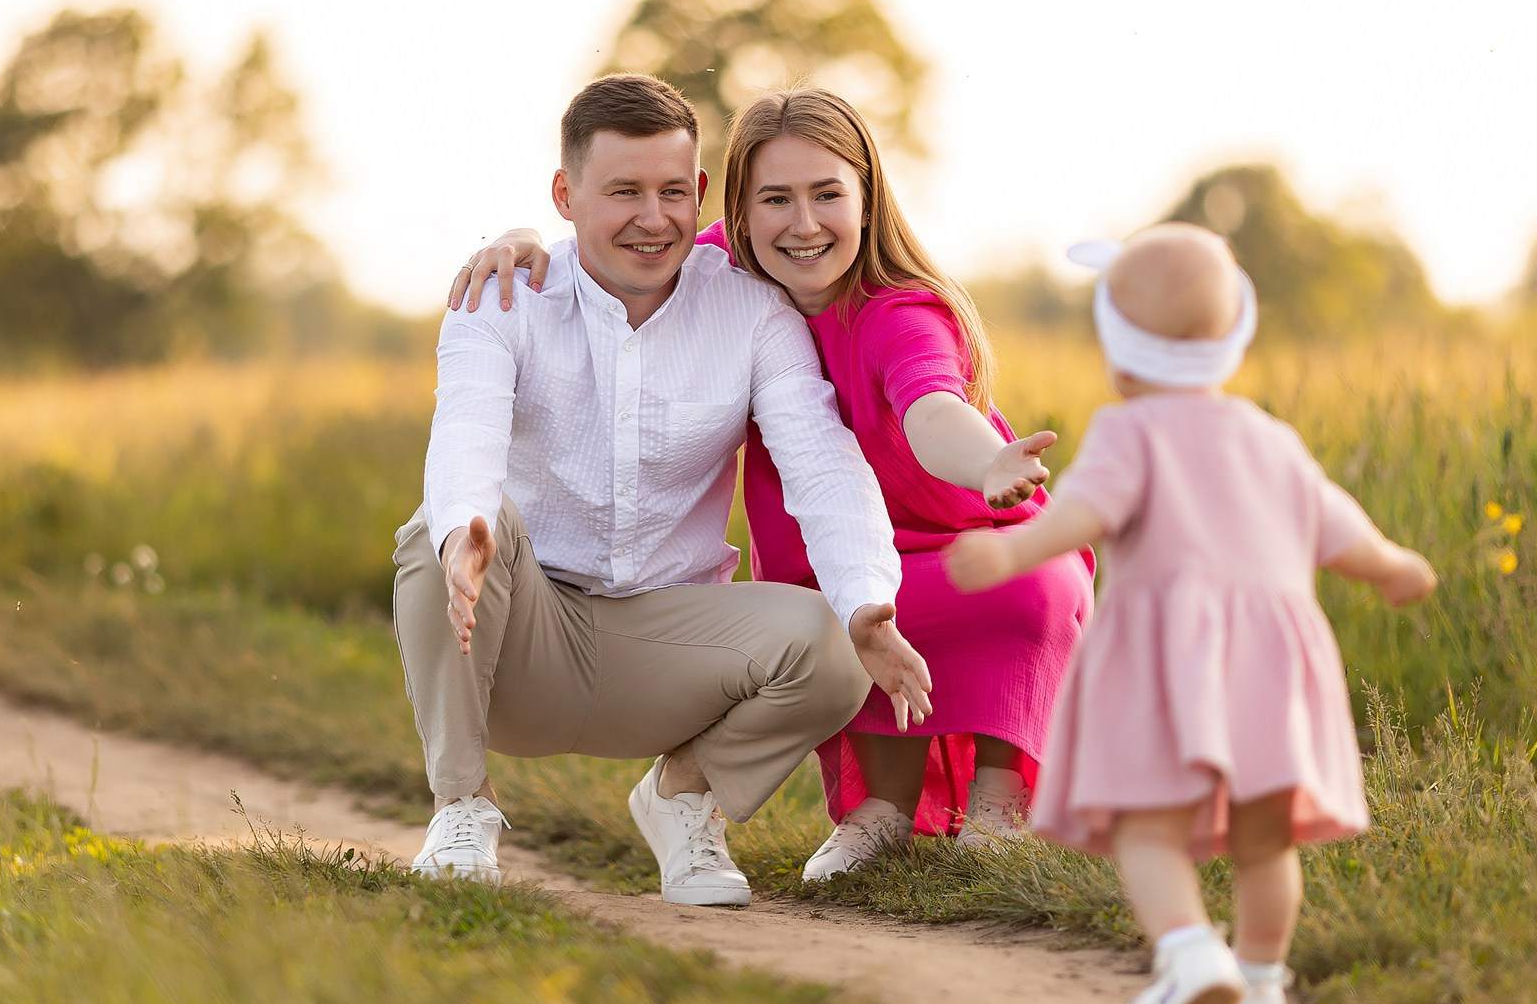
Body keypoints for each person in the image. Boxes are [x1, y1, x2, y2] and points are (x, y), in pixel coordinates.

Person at [452, 88, 1092, 880]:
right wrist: (524, 241)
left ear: (867, 198)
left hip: (950, 535)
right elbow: (615, 234)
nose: (803, 223)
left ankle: (997, 800)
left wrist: (988, 464)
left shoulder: (897, 312)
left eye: (828, 195)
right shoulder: (721, 268)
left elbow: (931, 409)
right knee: (832, 608)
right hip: (832, 560)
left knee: (1027, 585)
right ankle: (881, 810)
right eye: (776, 200)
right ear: (740, 214)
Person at [399, 73, 934, 910]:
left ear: (702, 194)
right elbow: (465, 429)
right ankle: (461, 806)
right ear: (565, 195)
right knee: (445, 525)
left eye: (672, 192)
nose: (653, 218)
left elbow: (822, 464)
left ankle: (683, 798)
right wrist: (462, 530)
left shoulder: (754, 314)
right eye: (623, 192)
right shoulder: (502, 297)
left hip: (668, 645)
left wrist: (869, 604)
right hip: (513, 639)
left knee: (833, 642)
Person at [941, 223, 1437, 1004]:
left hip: (1169, 658)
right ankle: (1262, 989)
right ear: (1232, 342)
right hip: (1274, 667)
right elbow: (1338, 526)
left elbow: (1085, 514)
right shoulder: (1271, 438)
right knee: (1264, 839)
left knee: (1146, 826)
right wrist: (1392, 566)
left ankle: (1189, 949)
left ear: (1120, 353)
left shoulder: (1130, 432)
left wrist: (1010, 549)